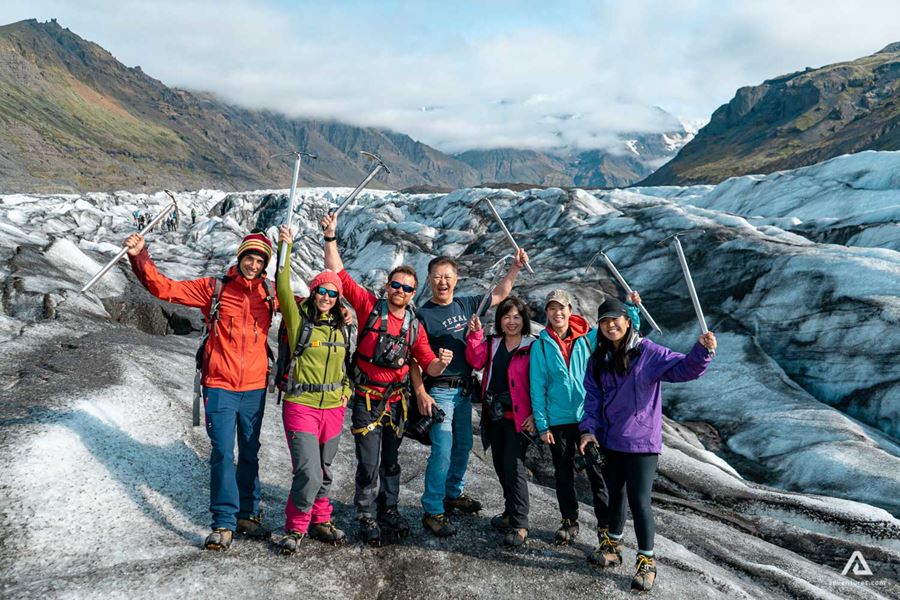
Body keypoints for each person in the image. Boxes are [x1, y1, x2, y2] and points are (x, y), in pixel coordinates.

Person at [124, 229, 277, 551]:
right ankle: (223, 521)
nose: (252, 264)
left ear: (265, 264)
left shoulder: (270, 294)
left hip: (255, 387)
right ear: (240, 258)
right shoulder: (214, 288)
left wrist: (339, 308)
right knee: (222, 452)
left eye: (259, 259)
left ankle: (247, 513)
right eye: (248, 257)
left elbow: (307, 306)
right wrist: (140, 256)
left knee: (250, 451)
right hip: (220, 385)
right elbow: (164, 288)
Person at [321, 213, 453, 546]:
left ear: (412, 294)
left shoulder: (414, 326)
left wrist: (440, 362)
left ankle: (387, 509)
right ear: (387, 287)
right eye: (396, 285)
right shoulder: (368, 306)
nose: (401, 291)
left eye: (408, 288)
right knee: (368, 463)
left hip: (396, 404)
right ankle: (366, 514)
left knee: (391, 462)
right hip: (367, 400)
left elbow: (428, 366)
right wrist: (331, 237)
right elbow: (339, 274)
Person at [579, 297, 715, 592]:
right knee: (616, 495)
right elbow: (592, 399)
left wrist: (702, 351)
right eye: (604, 321)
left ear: (628, 321)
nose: (610, 325)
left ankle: (647, 562)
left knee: (640, 502)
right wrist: (588, 432)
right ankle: (612, 546)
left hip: (641, 443)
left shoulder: (648, 353)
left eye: (615, 319)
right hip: (611, 440)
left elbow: (684, 369)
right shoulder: (599, 360)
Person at [411, 250, 528, 537]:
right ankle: (432, 509)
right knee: (441, 451)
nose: (442, 282)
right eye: (437, 277)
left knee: (463, 447)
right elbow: (412, 359)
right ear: (429, 279)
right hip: (440, 393)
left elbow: (500, 294)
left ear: (456, 279)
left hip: (464, 391)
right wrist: (420, 392)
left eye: (447, 277)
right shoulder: (422, 315)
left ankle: (453, 493)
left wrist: (514, 267)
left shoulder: (467, 304)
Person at [529, 289, 640, 546]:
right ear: (546, 313)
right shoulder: (541, 346)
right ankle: (569, 520)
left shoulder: (589, 338)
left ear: (571, 310)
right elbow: (537, 386)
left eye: (562, 308)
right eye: (552, 308)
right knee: (563, 474)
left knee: (597, 474)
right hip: (558, 420)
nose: (558, 313)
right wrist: (542, 424)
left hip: (588, 418)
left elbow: (623, 334)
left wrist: (631, 309)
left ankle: (604, 528)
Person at [273, 225, 353, 554]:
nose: (327, 298)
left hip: (333, 406)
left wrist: (346, 390)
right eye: (322, 291)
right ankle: (296, 524)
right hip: (301, 403)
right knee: (308, 469)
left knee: (325, 469)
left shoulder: (342, 327)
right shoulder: (298, 320)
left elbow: (346, 365)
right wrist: (285, 248)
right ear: (314, 292)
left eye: (333, 294)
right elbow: (281, 286)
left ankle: (321, 519)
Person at [464, 297, 536, 546]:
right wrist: (475, 335)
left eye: (517, 317)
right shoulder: (493, 343)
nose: (512, 321)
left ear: (524, 320)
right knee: (500, 465)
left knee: (514, 468)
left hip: (519, 420)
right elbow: (476, 361)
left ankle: (520, 524)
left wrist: (535, 416)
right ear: (500, 321)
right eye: (507, 317)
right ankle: (509, 512)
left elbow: (541, 383)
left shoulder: (532, 346)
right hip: (494, 415)